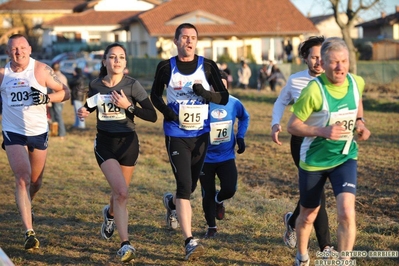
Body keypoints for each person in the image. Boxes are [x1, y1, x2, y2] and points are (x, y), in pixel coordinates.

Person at [286, 37, 371, 266]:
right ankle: (302, 256)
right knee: (308, 215)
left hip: (345, 156)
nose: (340, 67)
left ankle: (344, 261)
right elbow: (292, 126)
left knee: (346, 212)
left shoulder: (356, 82)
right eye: (334, 62)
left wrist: (360, 123)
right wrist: (321, 131)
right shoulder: (314, 91)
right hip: (314, 161)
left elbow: (357, 99)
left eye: (344, 61)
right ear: (323, 63)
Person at [150, 23, 229, 261]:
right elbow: (154, 95)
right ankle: (189, 240)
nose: (189, 41)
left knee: (191, 186)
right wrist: (168, 113)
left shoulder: (208, 66)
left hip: (201, 134)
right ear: (175, 41)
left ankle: (171, 203)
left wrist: (207, 94)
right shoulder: (166, 67)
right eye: (184, 37)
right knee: (184, 186)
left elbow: (223, 98)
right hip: (176, 134)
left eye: (193, 37)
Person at [77, 43, 157, 263]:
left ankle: (109, 215)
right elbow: (91, 106)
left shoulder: (132, 86)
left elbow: (152, 116)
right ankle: (125, 244)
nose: (117, 60)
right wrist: (83, 110)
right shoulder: (95, 85)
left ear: (125, 62)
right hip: (105, 144)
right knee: (121, 193)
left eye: (121, 57)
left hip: (128, 144)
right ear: (105, 61)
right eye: (112, 57)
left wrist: (127, 106)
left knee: (119, 194)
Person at [0, 34, 70, 250]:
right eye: (13, 49)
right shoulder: (2, 74)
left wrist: (47, 98)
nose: (18, 52)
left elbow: (65, 92)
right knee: (23, 177)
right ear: (7, 52)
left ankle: (25, 203)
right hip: (13, 132)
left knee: (36, 182)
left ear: (29, 49)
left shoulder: (41, 70)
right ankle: (29, 232)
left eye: (22, 48)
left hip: (38, 131)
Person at [270, 36, 333, 254]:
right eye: (314, 57)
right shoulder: (295, 80)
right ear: (305, 58)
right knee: (318, 193)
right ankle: (326, 246)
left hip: (327, 142)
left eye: (322, 57)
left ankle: (292, 221)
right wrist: (275, 123)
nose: (319, 62)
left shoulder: (333, 79)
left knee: (313, 192)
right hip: (302, 142)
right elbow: (280, 101)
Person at [199, 70, 249, 238]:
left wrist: (240, 136)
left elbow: (245, 117)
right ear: (209, 87)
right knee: (207, 193)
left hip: (226, 156)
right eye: (217, 86)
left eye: (224, 86)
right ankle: (211, 227)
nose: (221, 90)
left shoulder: (234, 102)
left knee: (230, 189)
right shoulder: (200, 103)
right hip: (204, 158)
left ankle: (219, 200)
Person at [49, 62, 68, 139]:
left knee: (58, 116)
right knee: (55, 116)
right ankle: (55, 132)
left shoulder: (55, 77)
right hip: (61, 100)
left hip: (57, 100)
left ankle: (62, 133)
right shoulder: (63, 76)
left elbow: (54, 90)